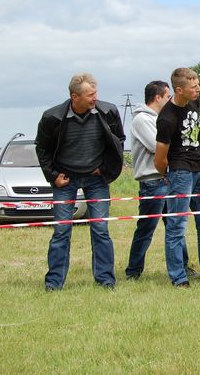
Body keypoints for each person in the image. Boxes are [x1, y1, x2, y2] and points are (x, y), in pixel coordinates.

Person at [35, 73, 124, 290]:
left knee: (100, 229)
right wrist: (53, 175)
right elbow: (42, 148)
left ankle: (105, 280)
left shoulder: (108, 111)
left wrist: (104, 169)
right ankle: (54, 283)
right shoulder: (52, 117)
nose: (95, 98)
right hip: (66, 180)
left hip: (96, 180)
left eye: (96, 93)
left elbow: (118, 141)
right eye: (90, 94)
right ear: (75, 97)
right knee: (61, 231)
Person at [155, 68, 200, 287]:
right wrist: (169, 175)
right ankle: (179, 277)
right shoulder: (166, 118)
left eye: (198, 85)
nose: (199, 90)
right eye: (194, 87)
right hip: (180, 172)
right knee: (176, 225)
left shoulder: (195, 104)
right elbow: (160, 158)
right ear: (179, 89)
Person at [125, 81, 193, 280]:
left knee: (176, 226)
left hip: (169, 178)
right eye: (167, 96)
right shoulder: (142, 120)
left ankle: (184, 267)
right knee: (146, 229)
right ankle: (133, 271)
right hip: (152, 181)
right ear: (157, 97)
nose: (170, 99)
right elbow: (159, 146)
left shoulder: (164, 118)